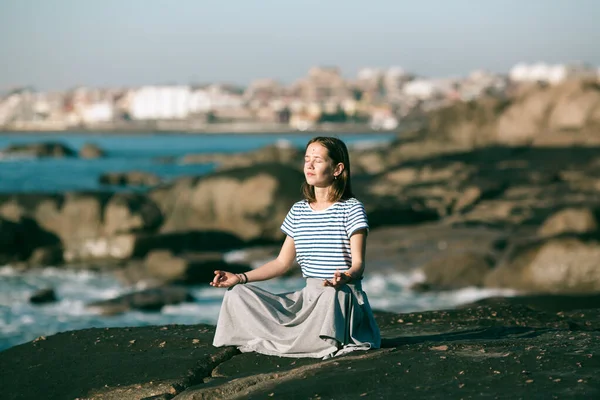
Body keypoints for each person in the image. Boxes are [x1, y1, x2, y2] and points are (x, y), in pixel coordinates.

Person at [211, 136, 380, 359]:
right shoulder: (299, 210)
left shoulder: (351, 209)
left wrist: (346, 277)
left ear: (337, 168)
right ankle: (301, 340)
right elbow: (281, 263)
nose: (309, 165)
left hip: (338, 297)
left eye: (317, 160)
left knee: (332, 294)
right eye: (306, 159)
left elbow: (358, 264)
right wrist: (239, 277)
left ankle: (307, 342)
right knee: (237, 294)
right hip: (307, 299)